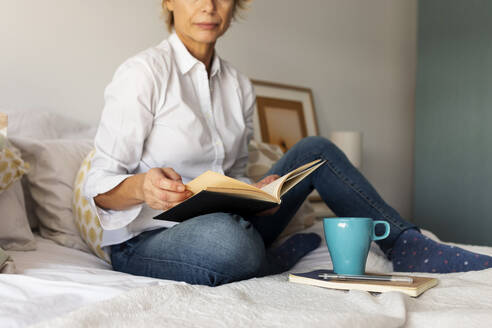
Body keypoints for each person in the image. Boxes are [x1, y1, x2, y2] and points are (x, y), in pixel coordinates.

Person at [84, 0, 491, 287]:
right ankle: (264, 257)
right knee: (228, 241)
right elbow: (99, 184)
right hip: (150, 240)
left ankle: (404, 243)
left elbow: (236, 175)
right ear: (169, 1)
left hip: (232, 222)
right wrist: (142, 187)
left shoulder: (239, 86)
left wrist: (252, 191)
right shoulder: (142, 74)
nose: (208, 6)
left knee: (316, 149)